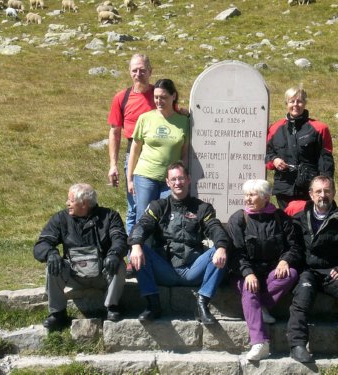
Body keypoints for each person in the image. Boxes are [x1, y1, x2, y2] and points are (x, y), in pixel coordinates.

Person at [128, 161, 228, 324]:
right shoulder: (158, 206)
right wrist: (136, 244)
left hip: (193, 269)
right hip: (166, 270)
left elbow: (215, 228)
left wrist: (222, 247)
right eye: (173, 179)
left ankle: (202, 304)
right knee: (139, 250)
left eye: (181, 178)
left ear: (188, 179)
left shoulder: (203, 208)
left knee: (222, 248)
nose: (177, 183)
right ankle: (153, 305)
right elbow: (142, 225)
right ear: (167, 182)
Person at [286, 176, 338, 364]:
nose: (323, 195)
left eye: (327, 191)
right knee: (303, 292)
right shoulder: (295, 212)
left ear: (334, 193)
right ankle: (297, 345)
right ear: (311, 194)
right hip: (308, 270)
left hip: (334, 271)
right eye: (319, 191)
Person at [34, 183, 128, 330]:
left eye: (70, 200)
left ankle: (112, 306)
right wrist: (50, 253)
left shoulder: (110, 216)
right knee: (52, 266)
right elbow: (42, 243)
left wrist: (114, 253)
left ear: (83, 204)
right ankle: (58, 313)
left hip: (101, 274)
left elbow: (120, 239)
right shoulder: (60, 219)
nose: (67, 203)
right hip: (73, 275)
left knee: (119, 264)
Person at [227, 179, 302, 361]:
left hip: (270, 273)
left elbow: (294, 246)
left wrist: (285, 260)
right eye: (246, 195)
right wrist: (248, 273)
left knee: (290, 274)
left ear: (266, 197)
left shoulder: (280, 218)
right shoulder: (238, 218)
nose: (248, 199)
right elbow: (236, 253)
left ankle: (260, 305)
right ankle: (260, 342)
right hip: (245, 272)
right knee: (249, 287)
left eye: (252, 195)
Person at [127, 78, 190, 223]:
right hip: (145, 176)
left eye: (163, 97)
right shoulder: (145, 118)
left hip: (170, 180)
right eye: (156, 97)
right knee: (144, 218)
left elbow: (185, 153)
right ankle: (140, 246)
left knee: (168, 218)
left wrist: (184, 177)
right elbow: (134, 151)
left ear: (173, 96)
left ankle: (163, 247)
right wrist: (130, 179)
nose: (159, 101)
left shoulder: (184, 121)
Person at [107, 54, 155, 237]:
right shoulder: (121, 98)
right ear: (129, 72)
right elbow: (115, 131)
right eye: (134, 70)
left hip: (157, 155)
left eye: (142, 70)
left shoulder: (159, 95)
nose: (138, 74)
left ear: (150, 71)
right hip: (134, 157)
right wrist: (113, 165)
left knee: (158, 205)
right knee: (134, 207)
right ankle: (133, 254)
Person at [265, 86, 335, 210]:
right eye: (292, 101)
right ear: (286, 103)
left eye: (299, 101)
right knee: (287, 225)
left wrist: (325, 185)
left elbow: (326, 159)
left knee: (308, 224)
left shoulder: (319, 128)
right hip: (284, 187)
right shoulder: (275, 128)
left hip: (309, 188)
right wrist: (274, 160)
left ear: (305, 103)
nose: (295, 105)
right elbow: (267, 154)